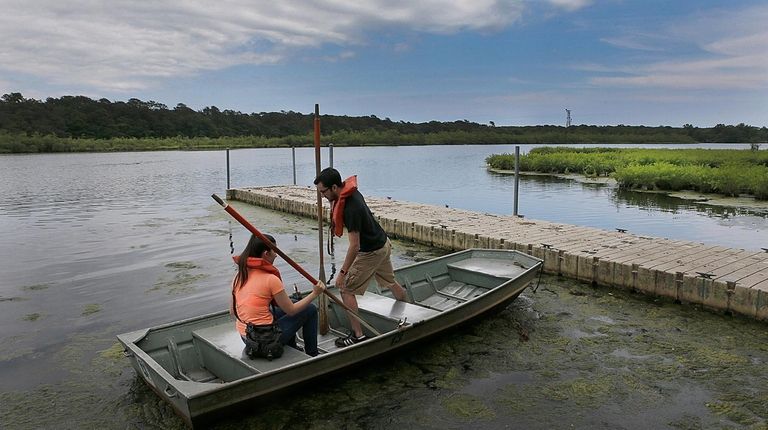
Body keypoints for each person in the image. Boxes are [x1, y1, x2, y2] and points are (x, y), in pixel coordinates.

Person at [314, 167, 408, 347]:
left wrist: (342, 273)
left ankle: (358, 335)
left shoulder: (351, 208)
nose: (322, 196)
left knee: (346, 289)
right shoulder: (350, 195)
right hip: (383, 244)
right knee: (389, 281)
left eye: (323, 192)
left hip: (371, 251)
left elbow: (355, 246)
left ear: (334, 187)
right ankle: (407, 306)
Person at [231, 233, 325, 356]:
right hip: (264, 340)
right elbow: (291, 311)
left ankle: (292, 345)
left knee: (287, 303)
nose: (276, 255)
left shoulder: (239, 276)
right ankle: (312, 353)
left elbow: (233, 312)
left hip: (245, 336)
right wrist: (315, 293)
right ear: (266, 254)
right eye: (274, 251)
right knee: (310, 309)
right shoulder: (270, 279)